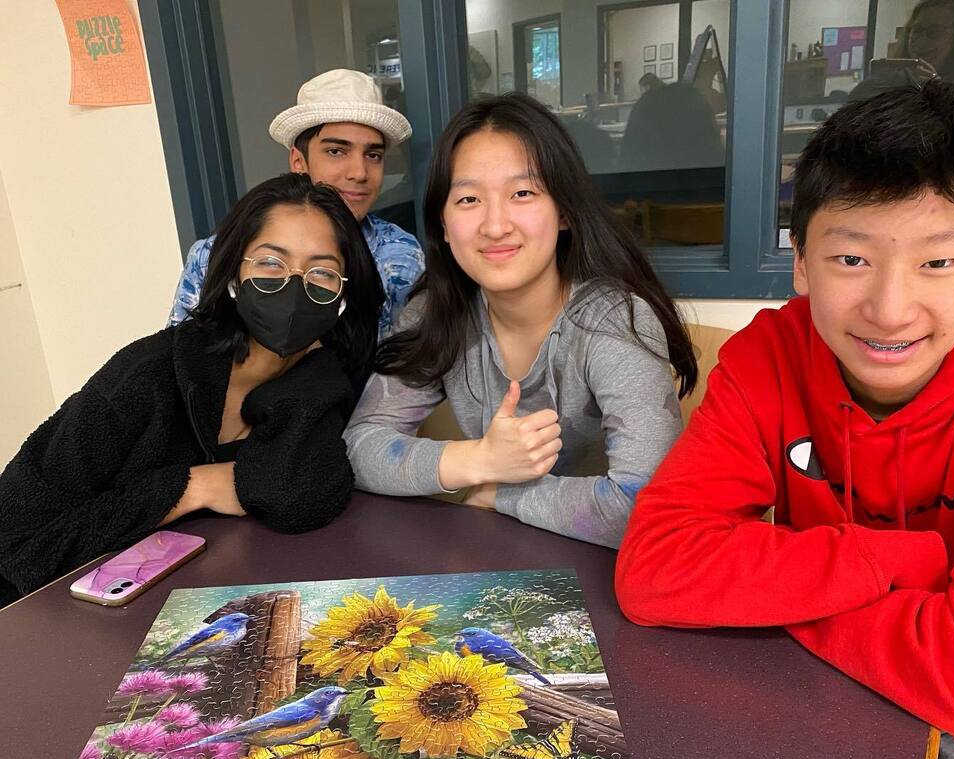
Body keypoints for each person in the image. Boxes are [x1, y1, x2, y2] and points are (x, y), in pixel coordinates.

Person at [615, 81, 954, 759]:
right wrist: (906, 562)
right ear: (800, 260)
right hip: (838, 676)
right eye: (850, 257)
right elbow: (654, 569)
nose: (890, 307)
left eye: (939, 260)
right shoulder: (769, 354)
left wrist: (765, 592)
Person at [0, 173, 384, 607]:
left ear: (343, 296)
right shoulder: (145, 376)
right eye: (270, 263)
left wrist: (305, 384)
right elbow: (16, 541)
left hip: (177, 607)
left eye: (322, 272)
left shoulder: (319, 377)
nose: (295, 287)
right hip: (36, 615)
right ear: (234, 275)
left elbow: (303, 497)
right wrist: (189, 488)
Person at [344, 92, 697, 548]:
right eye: (469, 199)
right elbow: (358, 448)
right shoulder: (437, 312)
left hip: (603, 573)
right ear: (444, 226)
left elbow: (649, 508)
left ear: (564, 211)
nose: (495, 225)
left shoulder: (612, 320)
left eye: (523, 193)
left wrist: (499, 495)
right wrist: (481, 460)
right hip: (496, 555)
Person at [167, 69, 422, 340]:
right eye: (336, 151)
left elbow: (412, 360)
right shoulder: (216, 256)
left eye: (373, 155)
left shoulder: (399, 255)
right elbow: (182, 357)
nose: (359, 172)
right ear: (299, 162)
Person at [854, 0, 954, 106]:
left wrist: (942, 95)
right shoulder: (899, 80)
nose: (920, 41)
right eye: (916, 31)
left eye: (935, 32)